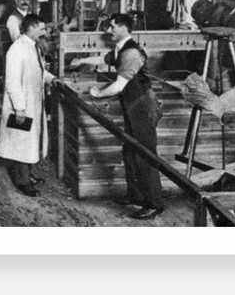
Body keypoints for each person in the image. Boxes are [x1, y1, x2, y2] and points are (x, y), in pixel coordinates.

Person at [70, 13, 165, 220]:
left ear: (123, 28)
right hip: (132, 105)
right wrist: (82, 60)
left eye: (112, 27)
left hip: (143, 106)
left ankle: (154, 204)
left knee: (145, 154)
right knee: (130, 151)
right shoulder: (120, 48)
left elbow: (119, 85)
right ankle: (136, 196)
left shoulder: (131, 52)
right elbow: (104, 59)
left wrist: (98, 93)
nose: (108, 30)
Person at [0, 14, 58, 197]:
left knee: (30, 140)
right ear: (31, 28)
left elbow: (40, 70)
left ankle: (28, 175)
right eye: (41, 29)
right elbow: (12, 82)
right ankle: (22, 182)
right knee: (21, 141)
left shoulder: (33, 47)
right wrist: (19, 108)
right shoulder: (17, 49)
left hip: (33, 102)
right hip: (21, 105)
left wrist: (51, 79)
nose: (44, 32)